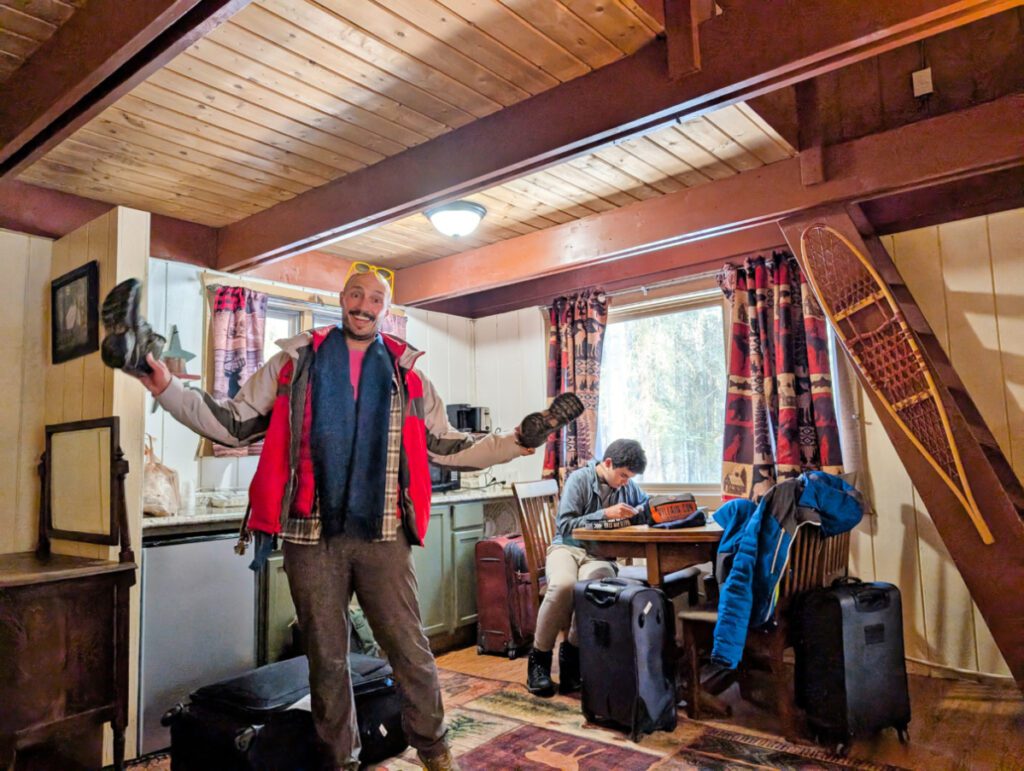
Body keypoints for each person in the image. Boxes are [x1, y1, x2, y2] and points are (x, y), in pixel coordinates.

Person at [133, 264, 533, 771]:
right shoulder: (294, 362)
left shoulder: (406, 374)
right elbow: (232, 424)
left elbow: (447, 445)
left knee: (409, 649)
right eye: (356, 295)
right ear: (342, 299)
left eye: (375, 299)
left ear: (385, 310)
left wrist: (515, 442)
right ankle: (341, 761)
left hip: (384, 534)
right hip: (309, 534)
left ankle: (435, 752)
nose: (364, 306)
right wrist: (165, 385)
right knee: (326, 659)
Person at [526, 439, 649, 697]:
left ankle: (572, 660)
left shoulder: (627, 486)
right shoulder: (579, 480)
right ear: (608, 463)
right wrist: (604, 514)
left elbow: (646, 505)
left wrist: (640, 510)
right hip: (567, 548)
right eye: (623, 475)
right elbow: (565, 525)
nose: (625, 482)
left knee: (594, 592)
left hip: (600, 555)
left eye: (630, 478)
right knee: (563, 585)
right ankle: (539, 660)